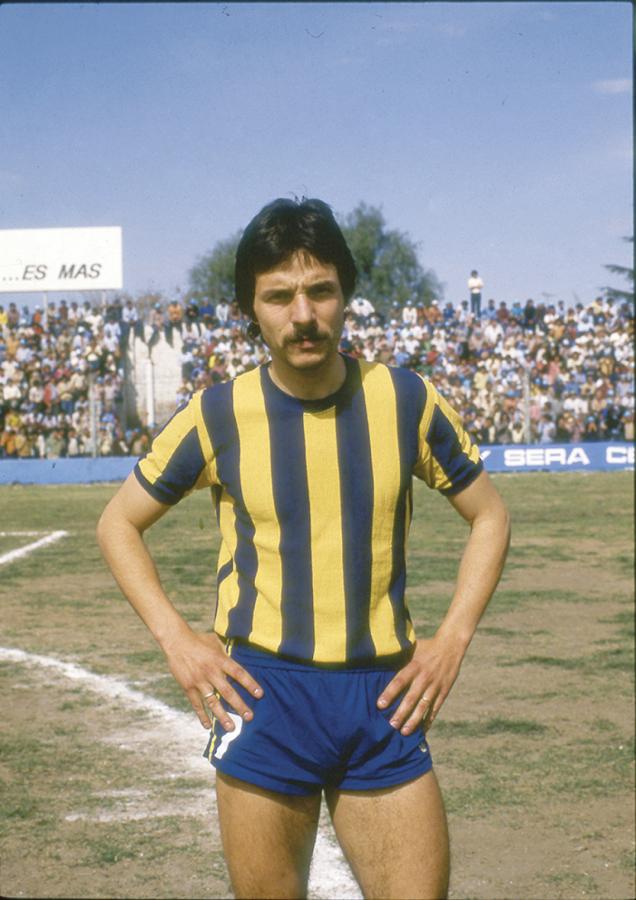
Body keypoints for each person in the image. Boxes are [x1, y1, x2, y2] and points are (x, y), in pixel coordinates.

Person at [97, 197, 510, 900]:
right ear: (251, 309)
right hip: (263, 695)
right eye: (279, 296)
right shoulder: (218, 413)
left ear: (345, 295)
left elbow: (490, 516)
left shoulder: (405, 399)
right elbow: (117, 524)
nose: (303, 314)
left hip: (383, 698)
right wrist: (177, 640)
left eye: (320, 290)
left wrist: (451, 640)